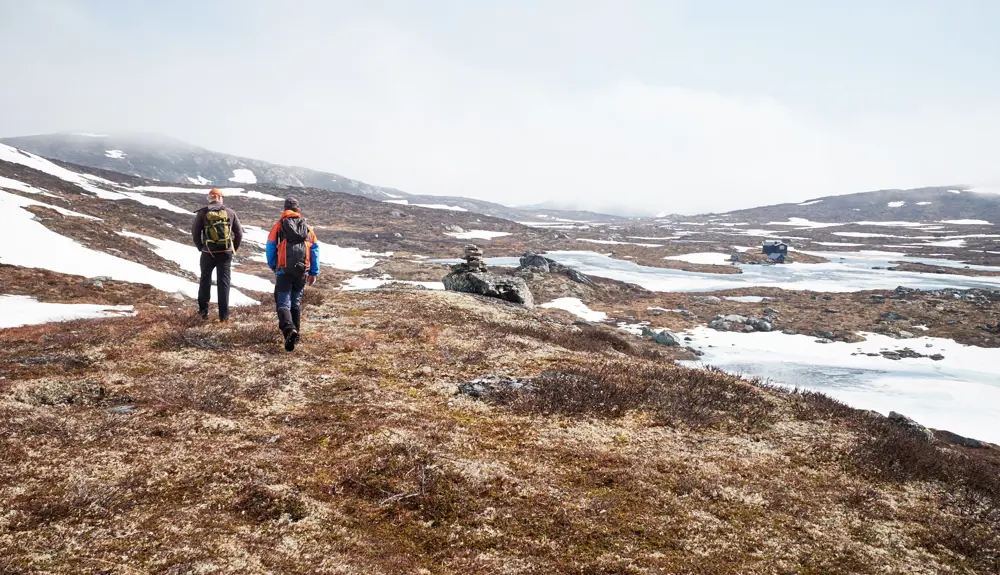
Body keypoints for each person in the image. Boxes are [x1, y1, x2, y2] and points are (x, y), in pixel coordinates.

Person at [266, 197, 320, 351]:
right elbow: (315, 251)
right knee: (295, 303)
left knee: (283, 303)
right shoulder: (308, 229)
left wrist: (274, 266)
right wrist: (313, 272)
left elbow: (270, 248)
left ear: (285, 209)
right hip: (302, 271)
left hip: (283, 270)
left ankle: (290, 330)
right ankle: (296, 335)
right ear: (298, 210)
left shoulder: (278, 227)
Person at [192, 188, 243, 321]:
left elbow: (195, 233)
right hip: (225, 253)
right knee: (224, 283)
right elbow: (239, 233)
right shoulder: (230, 212)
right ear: (220, 198)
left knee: (205, 280)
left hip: (208, 252)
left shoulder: (203, 213)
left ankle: (203, 313)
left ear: (209, 198)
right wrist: (232, 248)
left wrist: (201, 247)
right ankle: (224, 317)